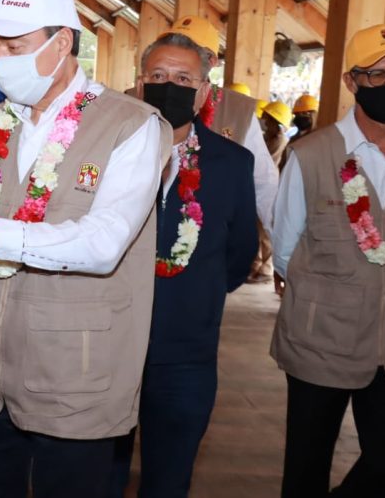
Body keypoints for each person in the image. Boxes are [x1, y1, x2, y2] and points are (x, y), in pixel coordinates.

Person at [0, 0, 171, 498]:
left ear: (63, 43)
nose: (1, 59)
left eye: (16, 46)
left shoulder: (132, 126)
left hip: (75, 382)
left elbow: (102, 244)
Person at [271, 24, 385, 497]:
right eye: (378, 75)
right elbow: (285, 249)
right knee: (306, 470)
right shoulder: (310, 155)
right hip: (322, 339)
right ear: (351, 82)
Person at [109, 29, 259, 498]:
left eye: (182, 77)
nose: (168, 85)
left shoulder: (232, 163)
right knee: (97, 476)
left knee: (169, 480)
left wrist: (194, 298)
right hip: (109, 345)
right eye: (157, 75)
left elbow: (238, 257)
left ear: (204, 93)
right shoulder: (108, 154)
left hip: (186, 355)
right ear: (139, 85)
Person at [160, 17, 279, 231]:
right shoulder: (138, 98)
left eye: (190, 50)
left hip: (211, 238)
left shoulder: (237, 111)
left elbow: (264, 183)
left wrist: (283, 248)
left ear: (211, 61)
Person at [249, 101, 294, 283]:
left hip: (271, 187)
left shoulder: (279, 140)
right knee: (258, 230)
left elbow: (265, 162)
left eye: (268, 120)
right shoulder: (268, 138)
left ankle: (267, 268)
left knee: (266, 231)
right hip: (261, 185)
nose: (265, 123)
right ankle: (257, 264)